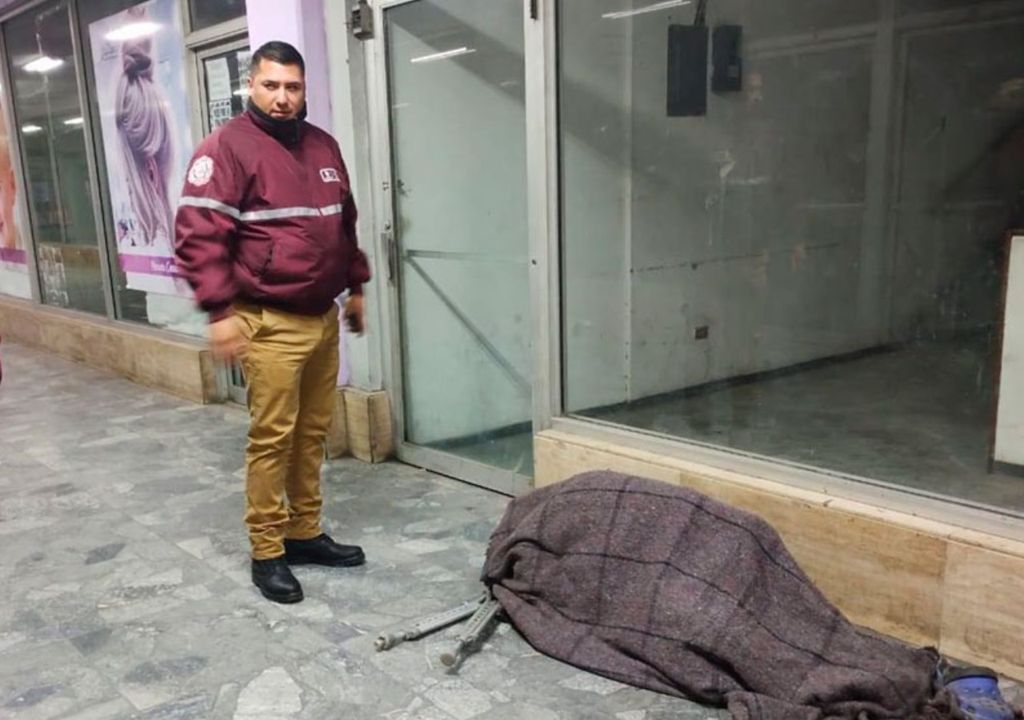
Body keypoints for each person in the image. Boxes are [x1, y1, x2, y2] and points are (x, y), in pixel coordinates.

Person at [174, 41, 371, 604]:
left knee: (312, 434)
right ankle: (267, 550)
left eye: (293, 87)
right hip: (268, 321)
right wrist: (220, 312)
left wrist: (356, 286)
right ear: (251, 86)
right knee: (273, 439)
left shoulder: (323, 145)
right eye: (271, 85)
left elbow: (342, 224)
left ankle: (303, 532)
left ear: (304, 89)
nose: (283, 98)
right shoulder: (226, 148)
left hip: (322, 316)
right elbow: (197, 236)